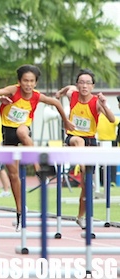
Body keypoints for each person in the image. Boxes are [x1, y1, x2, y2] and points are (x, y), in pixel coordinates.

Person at [0, 64, 74, 232]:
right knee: (13, 175)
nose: (28, 84)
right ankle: (20, 212)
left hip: (23, 130)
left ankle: (38, 168)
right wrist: (0, 98)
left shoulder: (36, 96)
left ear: (36, 82)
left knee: (22, 131)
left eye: (32, 81)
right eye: (25, 81)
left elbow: (55, 102)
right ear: (19, 81)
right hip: (7, 133)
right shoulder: (14, 90)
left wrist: (65, 120)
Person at [55, 68, 115, 229]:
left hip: (90, 141)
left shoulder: (96, 102)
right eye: (81, 82)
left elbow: (111, 119)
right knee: (78, 141)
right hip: (73, 138)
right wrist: (60, 92)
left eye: (88, 83)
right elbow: (68, 88)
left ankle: (80, 216)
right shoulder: (72, 95)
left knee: (86, 185)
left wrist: (104, 105)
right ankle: (81, 165)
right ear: (77, 84)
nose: (84, 86)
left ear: (92, 86)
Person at [96, 109, 120, 187]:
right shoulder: (113, 117)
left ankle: (102, 181)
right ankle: (112, 181)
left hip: (101, 141)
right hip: (112, 141)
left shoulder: (98, 117)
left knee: (101, 164)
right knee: (112, 163)